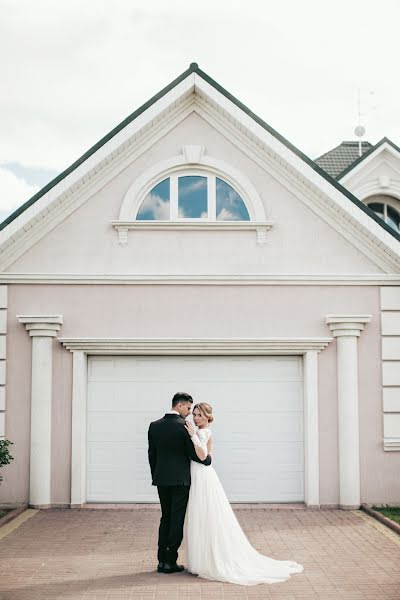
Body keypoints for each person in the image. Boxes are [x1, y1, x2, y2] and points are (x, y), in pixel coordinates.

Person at [183, 402, 304, 586]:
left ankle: (209, 561)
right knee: (200, 515)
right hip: (199, 474)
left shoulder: (203, 432)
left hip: (202, 475)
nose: (196, 418)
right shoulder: (203, 431)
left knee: (206, 514)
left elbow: (202, 456)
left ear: (208, 416)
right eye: (195, 414)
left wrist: (192, 436)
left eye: (199, 415)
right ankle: (201, 559)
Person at [147, 392, 212, 574]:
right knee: (176, 519)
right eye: (189, 408)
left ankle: (161, 560)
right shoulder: (184, 426)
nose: (190, 413)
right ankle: (170, 561)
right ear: (180, 406)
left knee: (165, 517)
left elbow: (152, 455)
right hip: (181, 481)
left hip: (161, 479)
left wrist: (157, 475)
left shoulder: (154, 426)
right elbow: (195, 455)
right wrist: (207, 460)